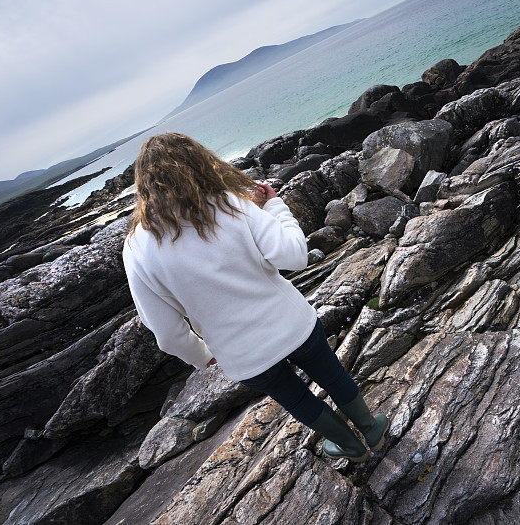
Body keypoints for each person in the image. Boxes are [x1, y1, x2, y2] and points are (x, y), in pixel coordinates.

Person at [121, 133, 388, 462]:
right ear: (197, 163)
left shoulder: (136, 248)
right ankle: (370, 429)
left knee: (297, 400)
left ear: (143, 182)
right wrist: (275, 206)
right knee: (332, 375)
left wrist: (202, 355)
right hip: (290, 323)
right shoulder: (229, 204)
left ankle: (349, 446)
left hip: (240, 352)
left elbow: (165, 331)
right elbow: (293, 255)